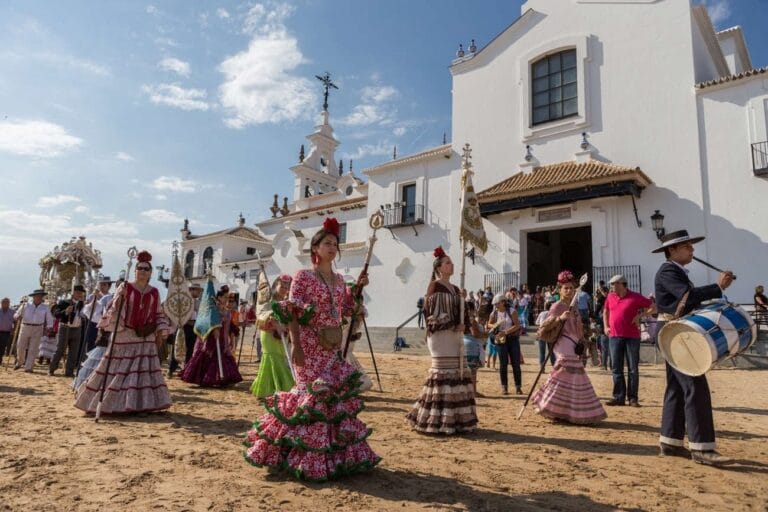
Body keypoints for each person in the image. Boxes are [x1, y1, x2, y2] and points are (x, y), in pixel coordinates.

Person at [244, 217, 380, 481]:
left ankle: (331, 457)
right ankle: (298, 456)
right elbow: (293, 312)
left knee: (331, 398)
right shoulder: (303, 277)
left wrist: (358, 290)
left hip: (332, 346)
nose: (332, 247)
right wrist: (296, 345)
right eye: (327, 243)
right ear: (315, 248)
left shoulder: (339, 281)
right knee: (309, 396)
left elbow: (347, 309)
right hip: (308, 345)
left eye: (335, 244)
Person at [653, 230, 734, 466]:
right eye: (687, 246)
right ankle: (702, 447)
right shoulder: (668, 270)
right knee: (695, 385)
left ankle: (670, 441)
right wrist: (718, 287)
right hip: (674, 332)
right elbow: (687, 297)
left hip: (675, 331)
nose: (692, 249)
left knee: (677, 387)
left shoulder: (675, 271)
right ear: (672, 250)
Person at [74, 250, 172, 415]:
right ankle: (109, 403)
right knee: (117, 369)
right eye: (139, 268)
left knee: (142, 371)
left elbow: (158, 313)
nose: (142, 271)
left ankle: (140, 405)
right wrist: (121, 297)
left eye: (146, 269)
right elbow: (114, 308)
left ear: (150, 273)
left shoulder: (155, 292)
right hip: (124, 333)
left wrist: (162, 329)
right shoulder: (125, 287)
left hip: (145, 336)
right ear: (135, 271)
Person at [406, 245, 477, 434]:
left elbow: (462, 313)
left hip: (455, 335)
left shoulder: (456, 289)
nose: (451, 265)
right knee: (443, 371)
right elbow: (433, 313)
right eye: (447, 263)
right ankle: (436, 418)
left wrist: (463, 306)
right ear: (439, 268)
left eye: (451, 263)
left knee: (457, 371)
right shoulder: (434, 286)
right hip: (440, 335)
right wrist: (454, 323)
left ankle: (457, 419)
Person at [532, 270, 607, 424]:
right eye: (565, 288)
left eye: (571, 288)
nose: (569, 290)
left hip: (574, 342)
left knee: (572, 376)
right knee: (564, 372)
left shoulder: (575, 307)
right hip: (562, 342)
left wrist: (582, 340)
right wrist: (560, 318)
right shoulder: (556, 306)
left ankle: (564, 410)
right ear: (560, 290)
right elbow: (544, 327)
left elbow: (578, 326)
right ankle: (550, 405)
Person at [603, 274, 654, 407]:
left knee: (633, 368)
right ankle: (618, 397)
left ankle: (632, 398)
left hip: (632, 337)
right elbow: (605, 311)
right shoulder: (610, 296)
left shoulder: (635, 296)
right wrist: (605, 326)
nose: (611, 287)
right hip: (614, 336)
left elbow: (654, 307)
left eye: (613, 284)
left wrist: (640, 316)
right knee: (616, 368)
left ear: (621, 284)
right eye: (611, 284)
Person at [181, 283, 243, 387]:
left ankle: (222, 379)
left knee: (223, 358)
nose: (226, 299)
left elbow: (229, 327)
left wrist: (230, 339)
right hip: (210, 338)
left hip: (221, 339)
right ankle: (205, 379)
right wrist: (213, 329)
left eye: (227, 297)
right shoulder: (212, 310)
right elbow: (205, 321)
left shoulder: (227, 312)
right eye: (224, 297)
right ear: (219, 297)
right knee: (208, 357)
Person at [250, 274, 296, 398]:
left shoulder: (286, 303)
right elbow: (262, 314)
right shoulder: (269, 300)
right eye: (282, 285)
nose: (285, 288)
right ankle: (283, 388)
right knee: (272, 358)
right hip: (269, 334)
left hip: (282, 335)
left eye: (287, 286)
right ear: (276, 285)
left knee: (280, 358)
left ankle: (271, 388)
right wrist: (276, 325)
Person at [487, 293, 522, 395]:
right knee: (503, 364)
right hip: (501, 341)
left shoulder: (512, 311)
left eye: (497, 303)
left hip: (512, 339)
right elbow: (488, 324)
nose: (496, 306)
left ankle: (518, 386)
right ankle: (504, 387)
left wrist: (505, 332)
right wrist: (495, 325)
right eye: (495, 304)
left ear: (503, 302)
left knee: (516, 364)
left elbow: (517, 325)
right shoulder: (494, 313)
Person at [49, 284, 86, 377]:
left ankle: (69, 371)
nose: (80, 294)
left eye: (81, 293)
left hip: (77, 329)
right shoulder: (64, 302)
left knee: (74, 352)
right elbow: (56, 314)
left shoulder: (82, 304)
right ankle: (52, 368)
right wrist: (65, 311)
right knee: (60, 349)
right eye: (78, 292)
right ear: (73, 293)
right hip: (65, 328)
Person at [14, 289, 55, 372]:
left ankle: (28, 367)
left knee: (34, 348)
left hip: (38, 328)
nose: (40, 297)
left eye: (41, 296)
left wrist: (49, 327)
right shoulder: (25, 305)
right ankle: (20, 361)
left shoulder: (45, 307)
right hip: (25, 326)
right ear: (33, 297)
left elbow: (49, 318)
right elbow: (16, 314)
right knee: (20, 346)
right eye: (38, 296)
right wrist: (17, 317)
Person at [81, 276, 114, 351]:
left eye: (104, 285)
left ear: (109, 286)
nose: (102, 286)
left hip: (105, 325)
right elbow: (85, 311)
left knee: (103, 344)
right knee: (90, 343)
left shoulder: (111, 297)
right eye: (101, 284)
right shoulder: (92, 296)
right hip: (92, 323)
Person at [463, 300, 485, 397]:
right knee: (472, 371)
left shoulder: (462, 318)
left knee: (466, 370)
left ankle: (468, 391)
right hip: (472, 346)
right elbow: (475, 333)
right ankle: (473, 391)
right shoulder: (471, 319)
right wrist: (486, 334)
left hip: (464, 344)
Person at [182, 283, 203, 367]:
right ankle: (172, 368)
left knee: (191, 348)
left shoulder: (199, 302)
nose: (199, 293)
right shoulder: (184, 300)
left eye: (199, 291)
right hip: (184, 326)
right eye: (198, 291)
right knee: (181, 346)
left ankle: (187, 366)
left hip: (194, 327)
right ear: (192, 290)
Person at [535, 303, 556, 367]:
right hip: (550, 333)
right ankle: (554, 365)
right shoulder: (553, 314)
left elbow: (537, 323)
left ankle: (542, 366)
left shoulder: (542, 313)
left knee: (542, 352)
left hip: (541, 333)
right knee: (551, 351)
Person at [0, 297, 15, 365]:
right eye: (3, 302)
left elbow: (15, 322)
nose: (5, 304)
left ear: (9, 304)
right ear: (1, 303)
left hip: (7, 332)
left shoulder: (13, 312)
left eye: (7, 302)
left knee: (2, 346)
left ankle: (0, 358)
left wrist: (13, 329)